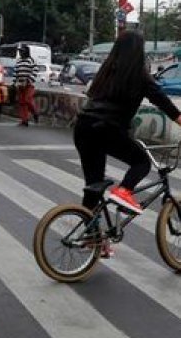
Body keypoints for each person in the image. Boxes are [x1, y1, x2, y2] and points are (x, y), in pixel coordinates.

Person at [75, 29, 181, 219]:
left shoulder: (106, 71)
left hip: (83, 127)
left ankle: (91, 238)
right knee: (141, 162)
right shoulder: (139, 76)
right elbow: (166, 105)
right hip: (106, 129)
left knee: (93, 185)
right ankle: (124, 191)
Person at [14, 45, 39, 126]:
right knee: (22, 102)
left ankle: (35, 113)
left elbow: (35, 71)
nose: (20, 53)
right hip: (20, 84)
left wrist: (28, 80)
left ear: (26, 52)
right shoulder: (18, 61)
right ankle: (24, 120)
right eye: (20, 51)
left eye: (22, 51)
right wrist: (15, 82)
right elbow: (16, 72)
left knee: (28, 100)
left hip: (28, 84)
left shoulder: (31, 60)